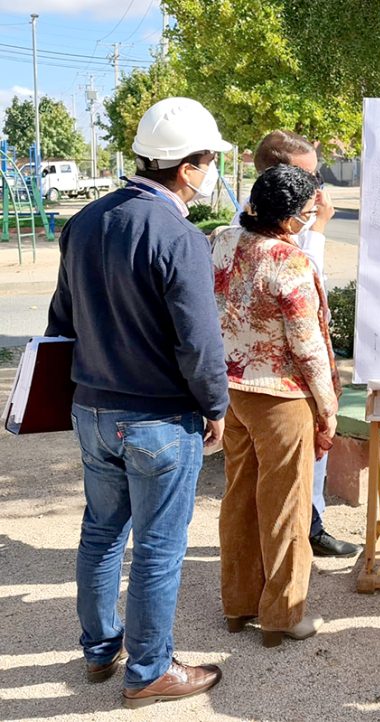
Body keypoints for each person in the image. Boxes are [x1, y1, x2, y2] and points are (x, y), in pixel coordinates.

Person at [46, 97, 231, 708]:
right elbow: (199, 341)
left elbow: (61, 320)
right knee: (158, 546)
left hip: (93, 410)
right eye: (206, 163)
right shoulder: (178, 234)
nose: (208, 175)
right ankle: (149, 669)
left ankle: (101, 651)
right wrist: (216, 406)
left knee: (100, 533)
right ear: (187, 167)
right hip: (157, 419)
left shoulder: (85, 220)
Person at [213, 164, 341, 646]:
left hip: (231, 387)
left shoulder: (224, 241)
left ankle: (238, 604)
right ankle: (283, 615)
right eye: (309, 212)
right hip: (282, 394)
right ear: (289, 220)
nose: (313, 219)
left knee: (240, 496)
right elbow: (308, 347)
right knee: (286, 505)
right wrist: (327, 408)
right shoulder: (291, 262)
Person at [232, 130, 361, 558]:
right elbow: (306, 293)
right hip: (282, 380)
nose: (316, 188)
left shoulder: (233, 234)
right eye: (306, 176)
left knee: (259, 485)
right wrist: (328, 405)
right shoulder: (275, 238)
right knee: (286, 484)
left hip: (244, 376)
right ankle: (287, 583)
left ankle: (297, 535)